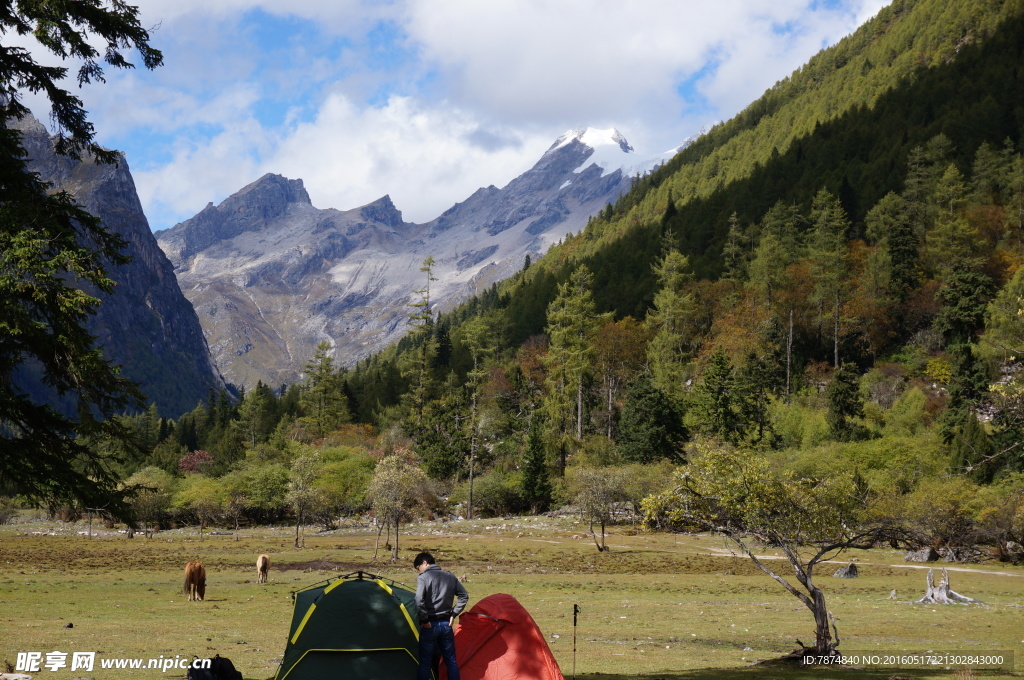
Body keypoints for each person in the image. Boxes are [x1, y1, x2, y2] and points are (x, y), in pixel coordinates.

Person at [414, 552, 468, 680]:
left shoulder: (424, 577)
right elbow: (464, 596)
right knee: (451, 661)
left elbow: (418, 600)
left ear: (425, 563)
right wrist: (454, 614)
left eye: (418, 568)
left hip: (429, 625)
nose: (419, 572)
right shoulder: (450, 576)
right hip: (446, 624)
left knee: (425, 663)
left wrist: (425, 620)